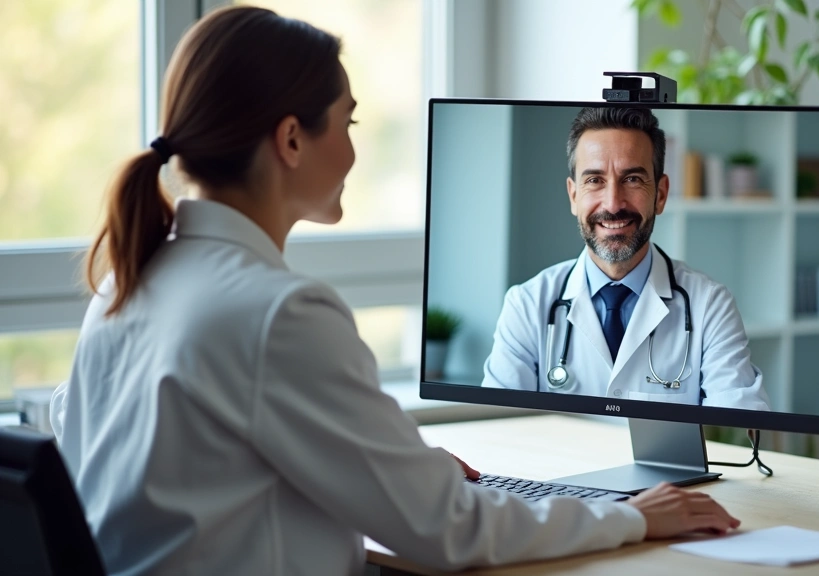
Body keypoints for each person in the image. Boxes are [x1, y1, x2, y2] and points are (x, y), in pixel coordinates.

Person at [48, 7, 740, 576]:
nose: (353, 150)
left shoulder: (124, 286)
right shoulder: (277, 313)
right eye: (346, 123)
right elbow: (447, 529)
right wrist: (631, 515)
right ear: (291, 139)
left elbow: (210, 479)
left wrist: (394, 463)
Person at [481, 107, 770, 410]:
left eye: (632, 179)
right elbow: (498, 429)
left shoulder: (710, 306)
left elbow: (744, 421)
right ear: (573, 196)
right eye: (594, 180)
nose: (613, 203)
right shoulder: (526, 305)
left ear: (660, 194)